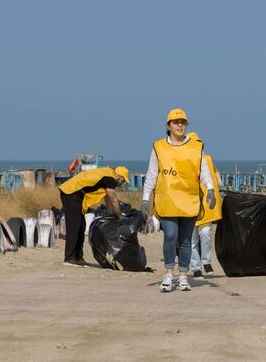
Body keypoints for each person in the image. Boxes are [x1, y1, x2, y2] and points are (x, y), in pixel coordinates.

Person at [142, 109, 216, 292]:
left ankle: (183, 275)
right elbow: (152, 174)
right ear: (168, 126)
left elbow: (203, 170)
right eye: (176, 122)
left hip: (189, 200)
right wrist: (145, 198)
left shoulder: (196, 146)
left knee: (185, 240)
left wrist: (211, 189)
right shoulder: (158, 147)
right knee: (170, 235)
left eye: (183, 122)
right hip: (167, 200)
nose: (180, 125)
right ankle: (169, 273)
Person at [58, 165, 129, 267]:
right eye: (123, 181)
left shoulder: (108, 175)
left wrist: (111, 217)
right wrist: (119, 217)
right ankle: (69, 258)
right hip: (70, 192)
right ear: (119, 176)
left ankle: (78, 257)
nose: (121, 184)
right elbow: (113, 200)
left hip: (76, 194)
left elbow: (108, 201)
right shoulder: (110, 179)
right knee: (74, 225)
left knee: (81, 225)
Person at [186, 132, 221, 278]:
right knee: (192, 238)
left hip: (206, 205)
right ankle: (196, 267)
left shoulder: (207, 159)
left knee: (205, 233)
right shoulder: (185, 161)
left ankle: (206, 261)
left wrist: (220, 185)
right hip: (189, 204)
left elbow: (216, 172)